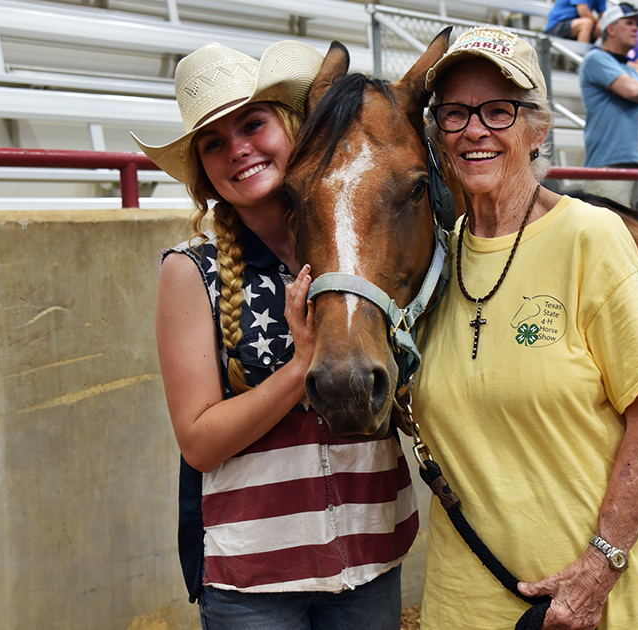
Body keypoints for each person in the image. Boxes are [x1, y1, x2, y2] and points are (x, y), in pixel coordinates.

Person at [134, 41, 418, 628]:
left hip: (368, 554)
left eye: (253, 124)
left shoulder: (362, 244)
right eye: (214, 143)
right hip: (255, 579)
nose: (238, 149)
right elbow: (200, 443)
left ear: (292, 129)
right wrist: (300, 367)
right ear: (204, 175)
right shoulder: (191, 271)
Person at [415, 26, 638, 630]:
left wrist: (599, 569)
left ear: (537, 129)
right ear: (437, 136)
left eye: (498, 111)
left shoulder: (589, 237)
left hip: (599, 602)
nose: (475, 130)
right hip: (467, 603)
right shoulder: (438, 258)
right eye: (455, 114)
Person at [580, 3, 638, 207]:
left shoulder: (627, 68)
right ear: (610, 29)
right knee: (609, 232)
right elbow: (635, 91)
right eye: (628, 23)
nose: (635, 29)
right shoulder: (596, 58)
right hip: (610, 164)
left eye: (636, 25)